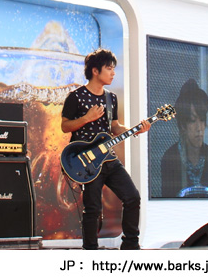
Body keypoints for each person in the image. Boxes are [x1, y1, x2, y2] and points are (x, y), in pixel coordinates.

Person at [61, 48, 151, 250]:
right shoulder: (75, 97)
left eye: (113, 68)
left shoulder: (111, 98)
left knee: (132, 197)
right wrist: (86, 118)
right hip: (86, 161)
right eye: (109, 68)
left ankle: (130, 245)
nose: (113, 73)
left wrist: (136, 129)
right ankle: (90, 250)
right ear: (95, 71)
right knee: (93, 208)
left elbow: (115, 127)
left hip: (108, 158)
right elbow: (65, 126)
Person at [160, 79, 208, 197]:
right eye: (192, 121)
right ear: (182, 125)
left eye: (202, 120)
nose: (199, 128)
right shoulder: (170, 158)